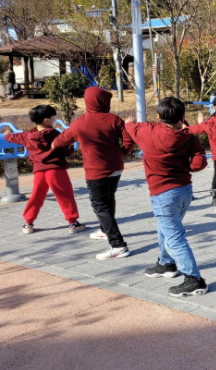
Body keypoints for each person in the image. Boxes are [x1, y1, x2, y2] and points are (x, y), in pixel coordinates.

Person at [125, 97, 209, 297]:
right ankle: (166, 264)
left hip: (163, 194)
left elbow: (130, 127)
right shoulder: (188, 135)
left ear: (158, 116)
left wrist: (129, 122)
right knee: (166, 228)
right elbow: (200, 163)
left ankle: (194, 279)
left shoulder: (146, 131)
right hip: (184, 191)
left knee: (174, 237)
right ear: (183, 116)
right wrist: (187, 166)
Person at [51, 87, 135, 260]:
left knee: (100, 206)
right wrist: (122, 153)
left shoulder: (81, 123)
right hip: (116, 168)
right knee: (108, 198)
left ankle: (118, 245)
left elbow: (63, 138)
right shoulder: (114, 119)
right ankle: (105, 230)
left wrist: (54, 145)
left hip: (96, 170)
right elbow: (128, 140)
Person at [4, 105, 85, 235]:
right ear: (46, 120)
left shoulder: (27, 135)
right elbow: (68, 150)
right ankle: (73, 223)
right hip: (56, 170)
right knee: (65, 195)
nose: (54, 119)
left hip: (39, 171)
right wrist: (72, 146)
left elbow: (13, 137)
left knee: (36, 197)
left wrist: (7, 134)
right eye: (53, 118)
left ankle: (28, 223)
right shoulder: (55, 134)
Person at [190, 96, 216, 207]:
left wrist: (186, 127)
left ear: (214, 107)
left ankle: (215, 198)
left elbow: (197, 129)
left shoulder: (210, 122)